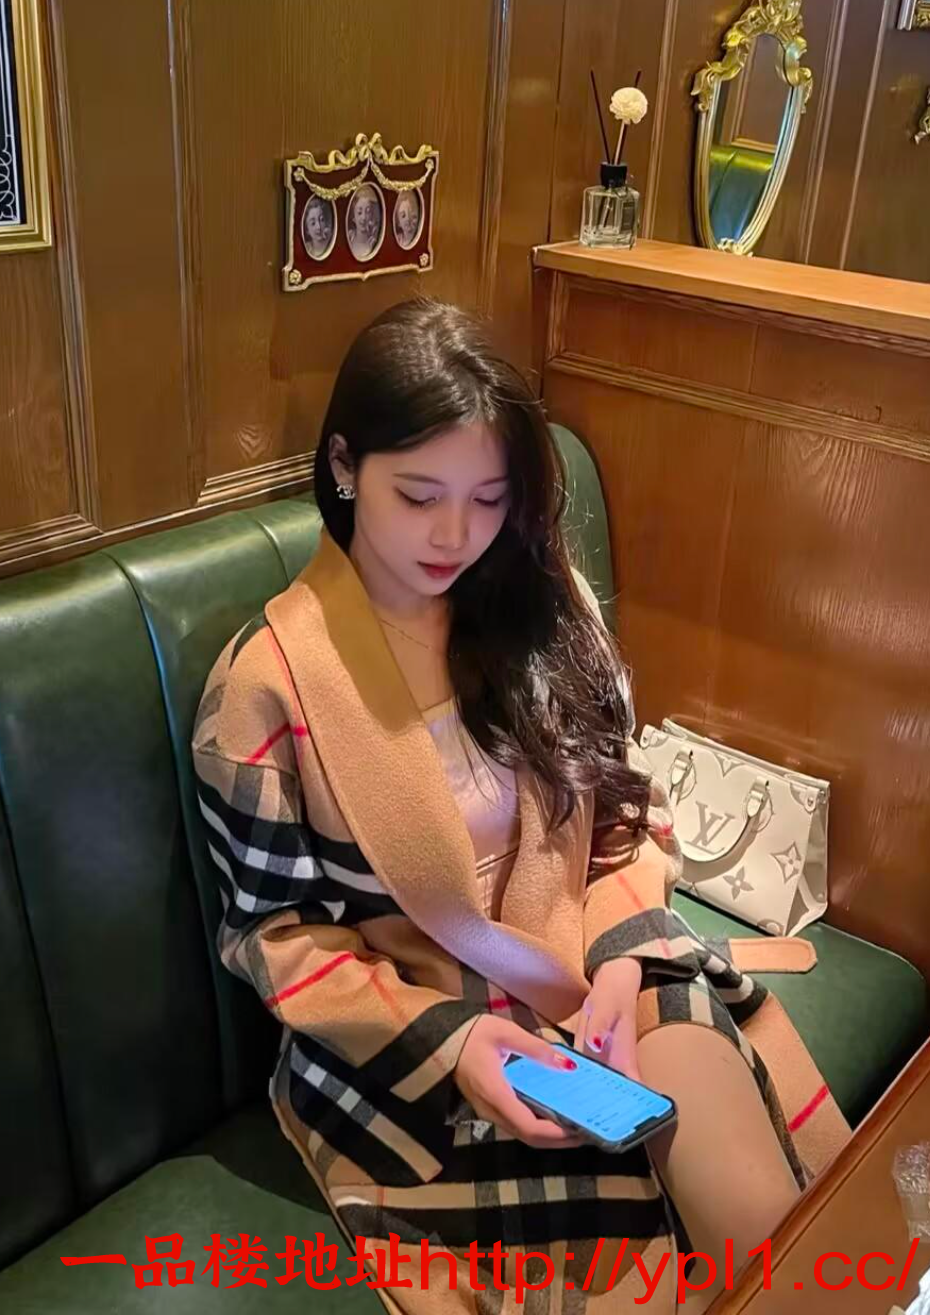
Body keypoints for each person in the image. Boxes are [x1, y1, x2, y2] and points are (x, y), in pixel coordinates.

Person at [191, 298, 850, 1313]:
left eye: (490, 497)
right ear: (343, 466)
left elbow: (625, 811)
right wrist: (458, 1043)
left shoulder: (543, 603)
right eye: (418, 495)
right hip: (422, 1042)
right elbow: (275, 940)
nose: (455, 534)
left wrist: (621, 961)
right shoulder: (267, 685)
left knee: (775, 1240)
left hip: (601, 966)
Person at [347, 183, 382, 260]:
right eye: (359, 213)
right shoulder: (350, 236)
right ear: (353, 217)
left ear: (371, 216)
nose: (363, 217)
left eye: (368, 212)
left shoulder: (373, 242)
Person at [302, 193, 335, 260]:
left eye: (321, 220)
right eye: (313, 223)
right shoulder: (307, 248)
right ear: (307, 230)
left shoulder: (331, 241)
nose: (318, 227)